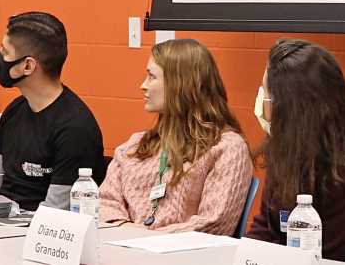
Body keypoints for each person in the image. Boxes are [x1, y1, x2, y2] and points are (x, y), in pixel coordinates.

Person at [247, 39, 345, 263]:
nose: (262, 103)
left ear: (292, 109)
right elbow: (265, 226)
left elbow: (322, 255)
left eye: (267, 95)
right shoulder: (286, 154)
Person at [99, 38, 252, 234]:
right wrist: (127, 232)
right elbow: (104, 203)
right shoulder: (136, 145)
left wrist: (143, 239)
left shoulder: (226, 148)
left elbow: (214, 223)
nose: (143, 86)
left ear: (180, 84)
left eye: (151, 77)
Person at [0, 11, 105, 212]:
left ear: (27, 66)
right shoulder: (14, 110)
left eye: (5, 52)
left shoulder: (74, 128)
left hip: (37, 232)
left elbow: (54, 211)